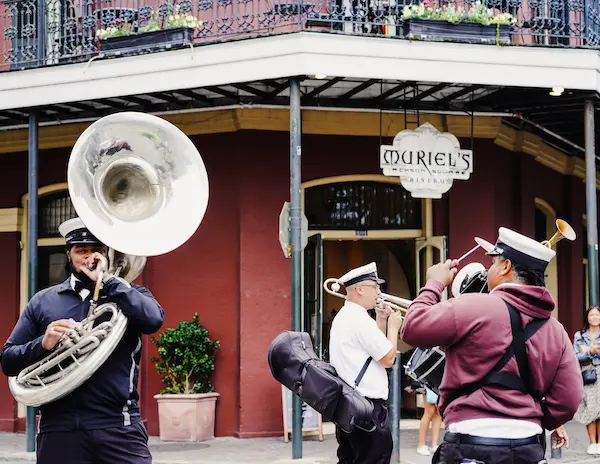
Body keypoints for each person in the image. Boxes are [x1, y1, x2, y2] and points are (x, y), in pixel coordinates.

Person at [401, 227, 583, 464]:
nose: (489, 270)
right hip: (527, 446)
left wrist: (434, 284)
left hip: (470, 443)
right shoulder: (556, 330)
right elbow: (569, 398)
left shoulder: (473, 305)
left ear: (506, 266)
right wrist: (530, 419)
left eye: (494, 263)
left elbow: (412, 328)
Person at [0, 217, 165, 464]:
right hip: (59, 428)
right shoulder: (43, 301)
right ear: (69, 254)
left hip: (118, 425)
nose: (90, 257)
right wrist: (43, 344)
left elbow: (153, 321)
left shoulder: (131, 294)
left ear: (107, 254)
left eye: (97, 250)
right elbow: (8, 361)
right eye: (82, 251)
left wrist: (108, 281)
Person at [329, 262, 403, 464]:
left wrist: (381, 320)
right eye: (375, 286)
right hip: (367, 408)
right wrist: (394, 327)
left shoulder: (347, 316)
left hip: (350, 405)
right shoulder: (359, 319)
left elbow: (372, 352)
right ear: (360, 289)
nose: (379, 292)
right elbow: (388, 359)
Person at [573, 306, 600, 454]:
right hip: (588, 373)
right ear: (587, 318)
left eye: (597, 315)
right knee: (590, 407)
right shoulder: (579, 335)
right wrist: (590, 351)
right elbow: (574, 356)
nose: (595, 318)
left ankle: (599, 443)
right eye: (592, 315)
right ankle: (592, 442)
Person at [416, 387, 443, 456]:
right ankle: (421, 445)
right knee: (429, 411)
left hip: (438, 382)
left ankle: (434, 445)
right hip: (428, 383)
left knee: (438, 413)